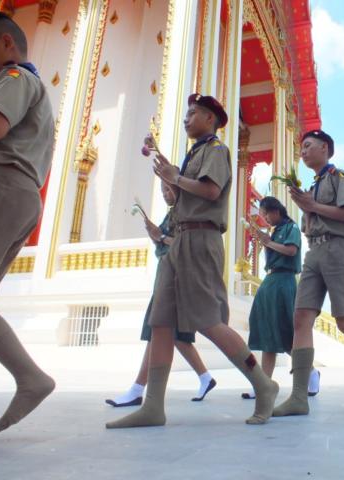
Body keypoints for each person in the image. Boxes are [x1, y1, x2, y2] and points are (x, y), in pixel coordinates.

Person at [106, 94, 278, 429]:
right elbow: (179, 193)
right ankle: (153, 406)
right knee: (161, 321)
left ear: (210, 119)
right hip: (179, 240)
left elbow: (210, 191)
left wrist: (175, 176)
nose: (187, 118)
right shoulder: (194, 153)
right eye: (186, 114)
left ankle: (262, 384)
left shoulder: (216, 150)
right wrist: (163, 164)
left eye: (194, 113)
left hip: (201, 239)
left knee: (208, 321)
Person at [273, 129, 344, 416]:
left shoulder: (339, 177)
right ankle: (299, 396)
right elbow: (309, 222)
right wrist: (307, 205)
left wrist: (313, 206)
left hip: (338, 249)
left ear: (325, 148)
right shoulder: (313, 186)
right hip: (314, 251)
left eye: (308, 145)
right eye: (302, 147)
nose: (303, 151)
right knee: (301, 318)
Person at [0, 12, 55, 434]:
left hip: (3, 186)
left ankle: (31, 377)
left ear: (6, 43)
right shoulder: (29, 84)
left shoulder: (15, 77)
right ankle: (31, 377)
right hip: (16, 191)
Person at [105, 181, 216, 408]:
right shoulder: (172, 214)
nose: (165, 194)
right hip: (167, 272)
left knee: (158, 329)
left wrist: (162, 237)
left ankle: (138, 389)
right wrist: (156, 235)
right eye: (162, 190)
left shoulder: (186, 213)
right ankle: (205, 377)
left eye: (168, 189)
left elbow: (186, 245)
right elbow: (166, 244)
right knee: (172, 334)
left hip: (176, 276)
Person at [242, 196, 319, 399]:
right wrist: (265, 240)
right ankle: (264, 385)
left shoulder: (291, 228)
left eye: (266, 214)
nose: (265, 218)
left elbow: (291, 250)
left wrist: (268, 242)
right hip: (270, 280)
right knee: (267, 333)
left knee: (286, 333)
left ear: (276, 211)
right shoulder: (274, 231)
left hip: (285, 281)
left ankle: (311, 372)